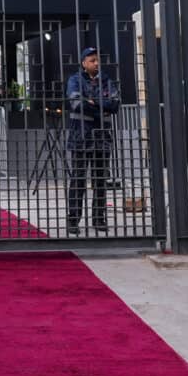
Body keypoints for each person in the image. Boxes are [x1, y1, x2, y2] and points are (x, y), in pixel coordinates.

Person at [65, 46, 120, 237]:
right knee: (78, 180)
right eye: (92, 60)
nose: (96, 63)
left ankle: (98, 218)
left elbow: (115, 104)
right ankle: (73, 220)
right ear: (83, 63)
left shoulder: (106, 80)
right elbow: (76, 103)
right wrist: (101, 107)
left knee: (100, 180)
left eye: (97, 60)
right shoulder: (74, 80)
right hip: (81, 137)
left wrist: (93, 102)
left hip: (102, 138)